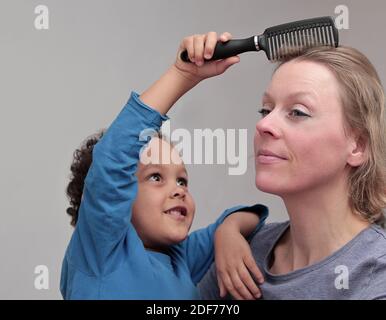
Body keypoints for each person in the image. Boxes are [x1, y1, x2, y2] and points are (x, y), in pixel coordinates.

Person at [60, 32, 269, 300]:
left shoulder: (180, 259)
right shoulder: (100, 250)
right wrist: (183, 75)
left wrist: (229, 231)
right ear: (118, 198)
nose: (178, 190)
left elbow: (248, 216)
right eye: (156, 177)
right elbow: (112, 160)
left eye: (182, 180)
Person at [198, 42, 386, 299]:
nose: (264, 124)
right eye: (265, 109)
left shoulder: (376, 276)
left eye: (297, 112)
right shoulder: (243, 254)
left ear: (358, 146)